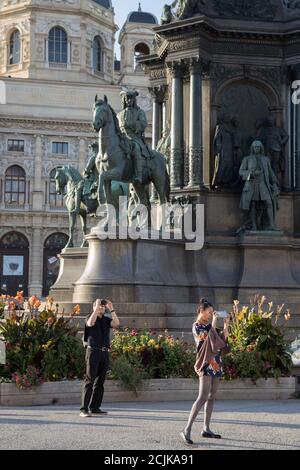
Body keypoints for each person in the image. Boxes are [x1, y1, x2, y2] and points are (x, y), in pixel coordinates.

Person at [180, 299, 230, 445]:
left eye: (212, 313)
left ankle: (206, 428)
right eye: (208, 312)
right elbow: (207, 340)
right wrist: (214, 322)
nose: (210, 315)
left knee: (212, 396)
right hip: (206, 363)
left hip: (216, 363)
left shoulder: (209, 325)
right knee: (202, 397)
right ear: (201, 311)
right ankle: (187, 429)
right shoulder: (197, 326)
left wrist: (227, 324)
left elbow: (222, 341)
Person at [80, 299, 120, 417]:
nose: (101, 308)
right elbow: (90, 324)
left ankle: (95, 407)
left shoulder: (106, 320)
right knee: (89, 380)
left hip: (104, 353)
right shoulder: (89, 317)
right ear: (94, 307)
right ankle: (84, 409)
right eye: (99, 306)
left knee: (100, 382)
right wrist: (96, 307)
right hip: (93, 351)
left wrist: (111, 309)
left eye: (103, 306)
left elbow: (116, 323)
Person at [117, 90, 152, 185]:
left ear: (134, 100)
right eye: (127, 99)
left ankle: (139, 175)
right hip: (122, 139)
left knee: (135, 148)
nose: (129, 101)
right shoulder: (119, 115)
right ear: (124, 100)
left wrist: (133, 125)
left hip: (134, 138)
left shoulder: (139, 112)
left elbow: (143, 123)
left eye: (131, 99)